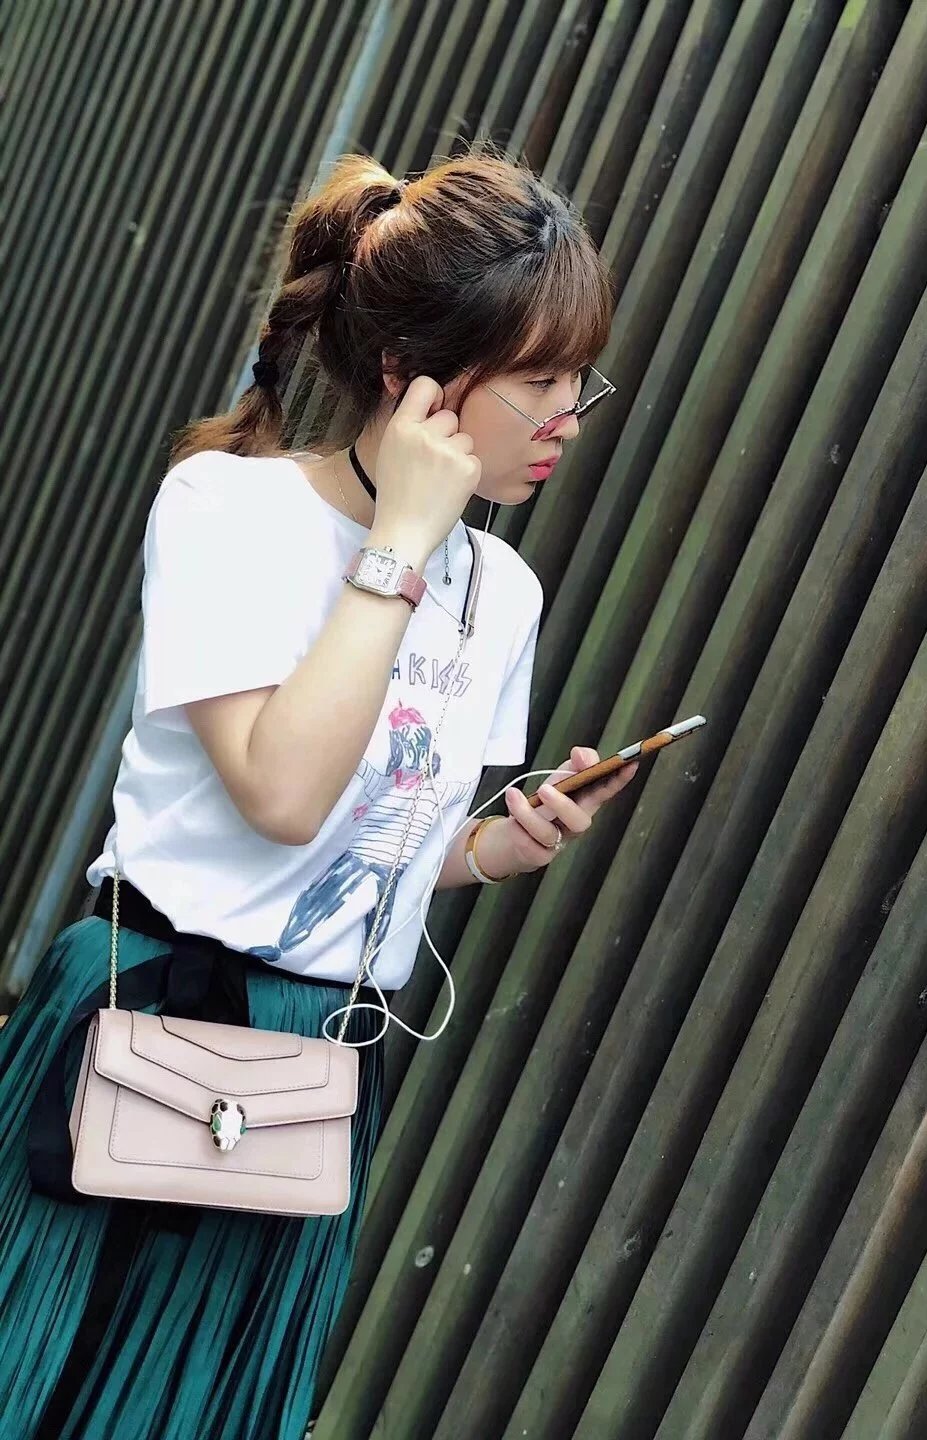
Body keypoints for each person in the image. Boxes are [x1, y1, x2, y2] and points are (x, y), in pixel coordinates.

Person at [0, 145, 640, 1439]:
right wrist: (399, 545)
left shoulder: (501, 592)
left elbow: (356, 849)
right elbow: (282, 797)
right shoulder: (227, 510)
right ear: (415, 378)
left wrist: (488, 849)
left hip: (312, 1070)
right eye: (539, 379)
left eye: (582, 377)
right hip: (152, 1019)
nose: (571, 413)